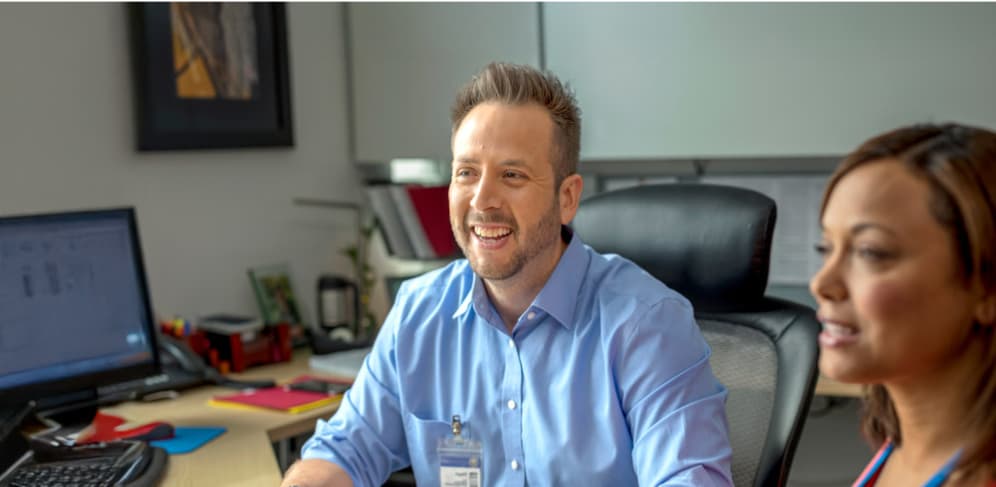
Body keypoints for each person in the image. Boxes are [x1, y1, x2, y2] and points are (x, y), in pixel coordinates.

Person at [280, 62, 732, 486]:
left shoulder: (646, 324)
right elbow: (346, 450)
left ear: (567, 198)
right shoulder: (419, 315)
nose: (481, 200)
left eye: (511, 175)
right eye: (466, 173)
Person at [810, 123, 996, 486]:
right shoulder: (900, 452)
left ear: (986, 289)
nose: (822, 284)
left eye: (870, 252)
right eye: (826, 249)